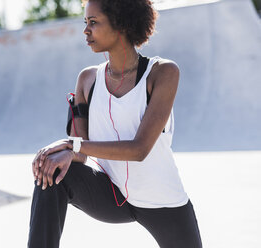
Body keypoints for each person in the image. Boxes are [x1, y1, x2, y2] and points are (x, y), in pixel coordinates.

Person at [28, 0, 202, 247]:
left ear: (121, 23)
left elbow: (140, 149)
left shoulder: (162, 73)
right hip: (113, 195)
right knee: (51, 171)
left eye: (93, 22)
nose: (86, 30)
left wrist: (72, 144)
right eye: (85, 23)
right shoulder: (87, 79)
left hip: (162, 201)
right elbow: (79, 155)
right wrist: (62, 152)